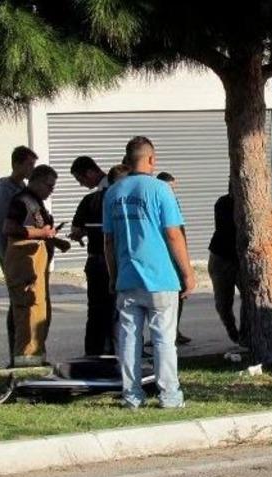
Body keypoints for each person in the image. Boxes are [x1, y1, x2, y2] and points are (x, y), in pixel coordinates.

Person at [103, 136, 196, 409]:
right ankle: (169, 395)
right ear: (151, 159)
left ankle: (131, 395)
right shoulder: (160, 190)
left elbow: (108, 240)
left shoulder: (113, 193)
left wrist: (113, 275)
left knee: (129, 339)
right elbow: (173, 234)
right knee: (164, 339)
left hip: (127, 277)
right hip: (161, 278)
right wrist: (188, 273)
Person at [3, 164, 70, 367]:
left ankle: (37, 359)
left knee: (40, 313)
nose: (51, 190)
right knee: (28, 312)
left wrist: (57, 241)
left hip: (37, 265)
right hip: (25, 265)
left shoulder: (36, 202)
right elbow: (10, 228)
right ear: (36, 181)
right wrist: (43, 234)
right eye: (49, 186)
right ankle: (25, 364)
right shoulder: (22, 201)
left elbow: (41, 230)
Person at [0, 146, 37, 367]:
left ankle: (25, 352)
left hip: (26, 255)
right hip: (11, 254)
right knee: (17, 305)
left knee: (25, 304)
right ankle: (15, 355)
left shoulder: (24, 188)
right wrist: (4, 256)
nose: (31, 169)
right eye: (29, 164)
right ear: (17, 164)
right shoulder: (4, 191)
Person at [69, 156, 115, 356]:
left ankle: (97, 351)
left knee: (99, 310)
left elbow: (77, 228)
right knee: (113, 310)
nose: (81, 185)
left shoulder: (94, 199)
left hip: (100, 260)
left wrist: (82, 232)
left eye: (80, 180)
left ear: (90, 172)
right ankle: (110, 350)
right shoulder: (96, 199)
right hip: (111, 261)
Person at [156, 171, 191, 345]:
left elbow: (180, 230)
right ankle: (168, 333)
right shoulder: (161, 199)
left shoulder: (171, 201)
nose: (172, 192)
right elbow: (173, 233)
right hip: (167, 255)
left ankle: (174, 330)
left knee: (179, 295)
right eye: (170, 188)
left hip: (174, 254)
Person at [207, 186, 244, 344]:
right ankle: (232, 331)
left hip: (242, 258)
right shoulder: (223, 203)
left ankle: (245, 333)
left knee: (251, 299)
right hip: (222, 256)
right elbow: (229, 226)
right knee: (223, 302)